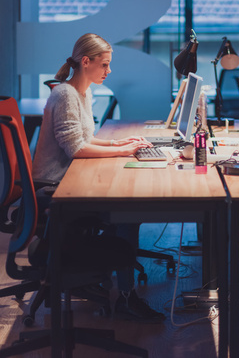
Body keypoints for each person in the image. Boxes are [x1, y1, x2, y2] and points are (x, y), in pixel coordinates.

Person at [32, 32, 165, 323]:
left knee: (127, 209)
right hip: (55, 187)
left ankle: (107, 280)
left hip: (69, 178)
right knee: (127, 212)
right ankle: (126, 298)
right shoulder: (65, 94)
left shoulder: (82, 91)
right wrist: (121, 153)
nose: (109, 71)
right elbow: (76, 148)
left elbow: (87, 137)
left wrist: (117, 144)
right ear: (86, 61)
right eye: (104, 65)